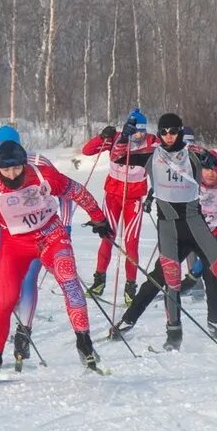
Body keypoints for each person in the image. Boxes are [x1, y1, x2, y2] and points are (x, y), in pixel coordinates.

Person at [112, 115, 217, 349]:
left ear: (180, 132)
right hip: (169, 227)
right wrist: (123, 137)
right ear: (159, 133)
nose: (168, 135)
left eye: (173, 131)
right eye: (164, 131)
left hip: (195, 225)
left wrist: (215, 161)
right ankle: (168, 332)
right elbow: (119, 157)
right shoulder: (153, 154)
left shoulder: (193, 152)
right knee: (166, 279)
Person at [0, 138, 107, 382]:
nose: (12, 174)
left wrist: (98, 217)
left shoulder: (43, 176)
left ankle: (84, 342)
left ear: (24, 164)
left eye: (17, 168)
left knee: (69, 280)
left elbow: (75, 191)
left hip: (51, 236)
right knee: (5, 299)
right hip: (15, 245)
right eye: (6, 170)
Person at [94, 116, 154, 304]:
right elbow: (87, 151)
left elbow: (171, 151)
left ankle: (130, 287)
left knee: (131, 243)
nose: (138, 135)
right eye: (135, 130)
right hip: (112, 196)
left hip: (133, 198)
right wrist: (102, 136)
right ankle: (99, 282)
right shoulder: (117, 138)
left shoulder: (151, 141)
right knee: (107, 237)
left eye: (142, 131)